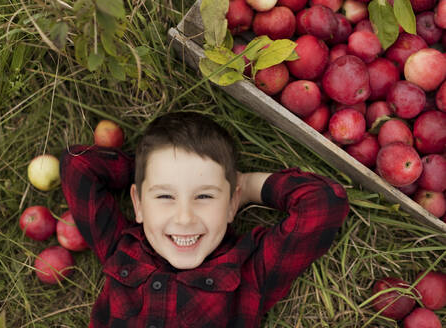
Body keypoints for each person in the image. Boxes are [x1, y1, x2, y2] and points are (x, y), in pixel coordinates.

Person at [60, 111, 349, 328]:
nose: (185, 218)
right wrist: (151, 168)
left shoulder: (249, 269)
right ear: (138, 204)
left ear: (231, 203)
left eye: (205, 197)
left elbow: (324, 200)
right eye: (164, 197)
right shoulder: (120, 247)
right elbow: (78, 164)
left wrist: (247, 186)